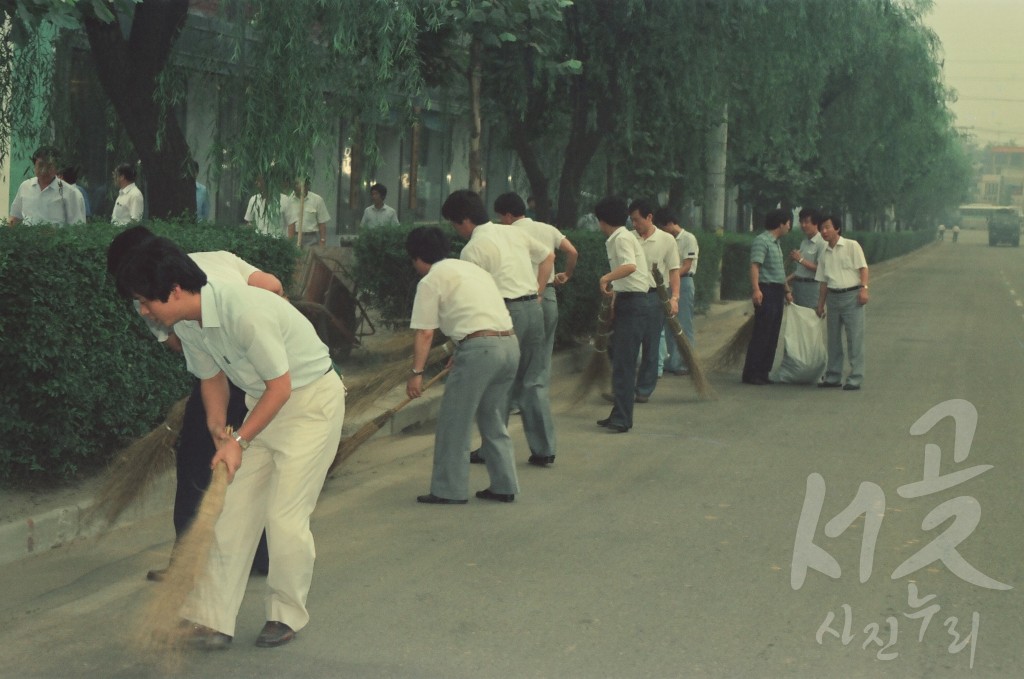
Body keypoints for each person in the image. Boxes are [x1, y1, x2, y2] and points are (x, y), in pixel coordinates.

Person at [114, 237, 345, 650]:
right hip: (264, 405)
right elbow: (212, 377)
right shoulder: (188, 323)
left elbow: (281, 386)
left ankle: (285, 615)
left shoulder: (243, 310)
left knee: (284, 517)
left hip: (312, 405)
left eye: (147, 302)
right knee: (230, 511)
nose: (144, 312)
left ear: (175, 291)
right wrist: (219, 428)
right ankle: (211, 618)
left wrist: (239, 439)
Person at [106, 225, 276, 582]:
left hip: (239, 374)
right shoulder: (212, 260)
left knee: (199, 462)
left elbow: (179, 344)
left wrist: (212, 346)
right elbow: (273, 286)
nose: (140, 306)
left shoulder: (163, 294)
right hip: (253, 372)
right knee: (252, 461)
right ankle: (261, 558)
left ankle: (187, 562)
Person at [404, 226, 521, 504]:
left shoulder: (431, 280)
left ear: (418, 257)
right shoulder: (473, 270)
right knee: (491, 416)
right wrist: (464, 347)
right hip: (508, 344)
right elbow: (477, 312)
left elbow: (425, 333)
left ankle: (448, 489)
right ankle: (504, 485)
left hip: (480, 350)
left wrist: (416, 374)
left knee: (454, 421)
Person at [443, 190, 557, 467]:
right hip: (533, 309)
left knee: (500, 383)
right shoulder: (511, 232)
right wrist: (539, 292)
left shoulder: (472, 250)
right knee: (533, 380)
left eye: (454, 224)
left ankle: (491, 449)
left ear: (465, 221)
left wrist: (462, 342)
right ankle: (544, 449)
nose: (455, 230)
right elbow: (548, 257)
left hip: (507, 312)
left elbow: (472, 295)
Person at [492, 191, 577, 460]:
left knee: (504, 370)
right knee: (537, 370)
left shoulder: (505, 234)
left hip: (519, 301)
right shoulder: (546, 228)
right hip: (547, 297)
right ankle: (544, 448)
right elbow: (572, 252)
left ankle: (492, 444)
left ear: (506, 215)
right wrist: (565, 275)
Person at [595, 196, 653, 433]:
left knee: (624, 364)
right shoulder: (622, 237)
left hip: (635, 304)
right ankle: (618, 412)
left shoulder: (620, 238)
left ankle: (622, 418)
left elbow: (630, 266)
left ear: (602, 220)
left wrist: (606, 278)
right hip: (629, 301)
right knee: (620, 361)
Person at [629, 199, 680, 402]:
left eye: (637, 220)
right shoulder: (628, 238)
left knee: (651, 346)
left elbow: (674, 271)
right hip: (631, 296)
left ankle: (643, 390)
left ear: (649, 218)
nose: (634, 224)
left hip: (654, 297)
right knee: (626, 344)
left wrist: (674, 297)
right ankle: (623, 387)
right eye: (631, 220)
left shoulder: (667, 240)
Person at [815, 214, 869, 390]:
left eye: (827, 227)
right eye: (821, 228)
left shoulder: (851, 246)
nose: (824, 231)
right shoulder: (824, 252)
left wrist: (864, 289)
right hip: (833, 297)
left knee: (854, 338)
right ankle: (833, 376)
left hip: (852, 296)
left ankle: (855, 377)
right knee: (833, 339)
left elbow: (863, 268)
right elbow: (823, 281)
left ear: (837, 228)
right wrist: (820, 304)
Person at [741, 208, 793, 385]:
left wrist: (787, 291)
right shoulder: (762, 241)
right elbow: (755, 266)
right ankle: (751, 373)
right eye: (788, 223)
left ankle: (764, 371)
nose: (789, 227)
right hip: (766, 290)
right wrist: (756, 290)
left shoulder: (776, 243)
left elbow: (780, 271)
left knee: (772, 334)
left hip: (777, 291)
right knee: (762, 333)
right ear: (781, 223)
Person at [654, 207, 699, 375]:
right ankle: (672, 361)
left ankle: (686, 363)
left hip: (684, 282)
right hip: (667, 283)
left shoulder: (688, 238)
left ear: (671, 223)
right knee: (668, 324)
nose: (661, 230)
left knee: (684, 324)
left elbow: (686, 265)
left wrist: (671, 276)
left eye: (662, 226)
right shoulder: (665, 239)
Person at [8, 146, 86, 226]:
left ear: (57, 168)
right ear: (34, 166)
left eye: (49, 166)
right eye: (40, 165)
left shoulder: (70, 193)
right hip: (27, 238)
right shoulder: (25, 187)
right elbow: (15, 218)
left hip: (56, 238)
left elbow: (78, 228)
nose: (43, 170)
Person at [787, 208, 825, 308]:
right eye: (801, 222)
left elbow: (822, 269)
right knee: (798, 320)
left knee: (810, 319)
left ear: (816, 223)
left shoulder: (822, 242)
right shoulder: (804, 241)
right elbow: (801, 270)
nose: (803, 225)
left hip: (812, 288)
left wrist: (800, 259)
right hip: (798, 287)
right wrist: (785, 280)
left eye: (806, 222)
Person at [286, 178, 330, 247]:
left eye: (303, 185)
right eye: (297, 185)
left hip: (312, 238)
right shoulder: (288, 200)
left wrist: (322, 240)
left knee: (311, 257)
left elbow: (322, 223)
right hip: (294, 236)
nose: (300, 187)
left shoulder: (317, 200)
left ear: (307, 186)